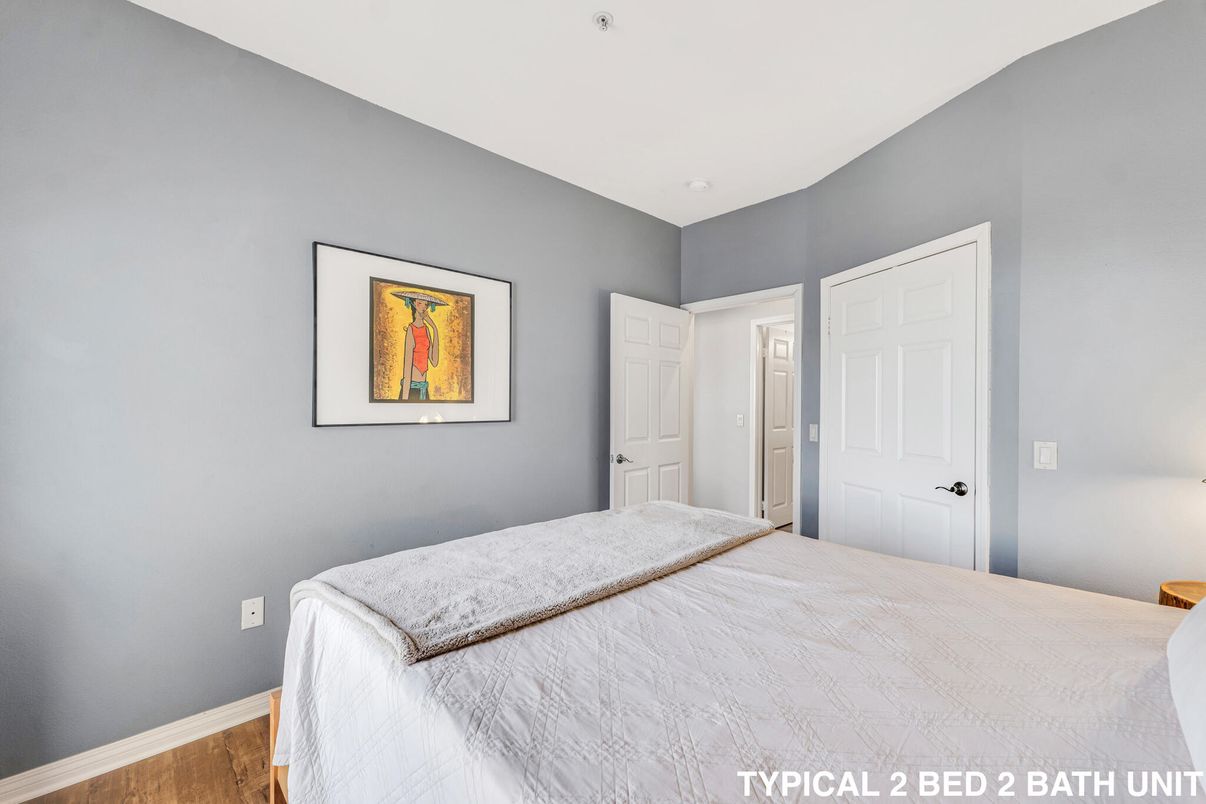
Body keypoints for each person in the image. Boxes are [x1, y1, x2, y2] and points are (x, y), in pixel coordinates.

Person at [395, 293, 441, 401]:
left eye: (426, 304)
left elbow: (434, 362)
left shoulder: (427, 330)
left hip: (424, 389)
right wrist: (404, 399)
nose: (424, 307)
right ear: (413, 304)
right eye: (420, 303)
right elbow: (407, 368)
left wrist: (434, 328)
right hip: (411, 389)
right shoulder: (411, 330)